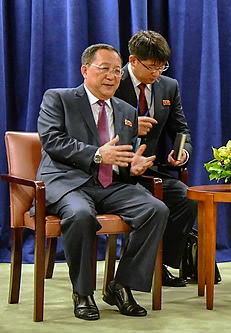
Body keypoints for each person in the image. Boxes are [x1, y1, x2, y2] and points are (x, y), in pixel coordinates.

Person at [37, 43, 168, 320]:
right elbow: (53, 142)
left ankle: (121, 286)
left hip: (110, 185)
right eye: (104, 68)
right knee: (81, 214)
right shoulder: (59, 98)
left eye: (118, 71)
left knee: (155, 209)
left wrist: (132, 166)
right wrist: (97, 154)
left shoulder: (126, 110)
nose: (112, 76)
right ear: (85, 70)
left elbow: (121, 155)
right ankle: (83, 292)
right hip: (68, 182)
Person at [114, 30, 197, 287]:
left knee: (186, 198)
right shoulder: (111, 81)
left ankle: (160, 262)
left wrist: (181, 151)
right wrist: (129, 126)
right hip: (113, 170)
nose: (157, 73)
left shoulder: (168, 86)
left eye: (162, 67)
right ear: (133, 60)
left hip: (149, 169)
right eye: (151, 67)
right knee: (148, 205)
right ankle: (141, 268)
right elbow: (94, 125)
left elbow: (181, 128)